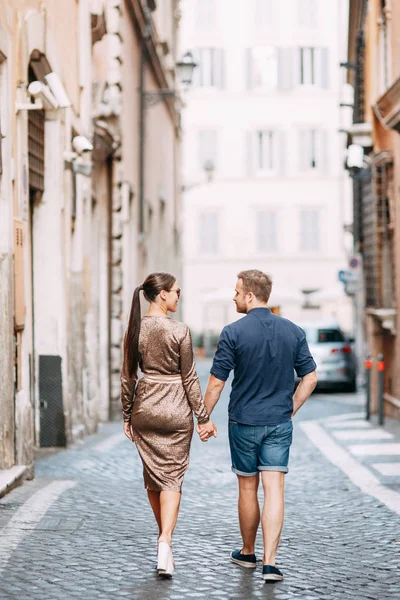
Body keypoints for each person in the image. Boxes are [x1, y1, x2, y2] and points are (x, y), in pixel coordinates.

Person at [197, 270, 317, 582]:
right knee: (274, 489)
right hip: (278, 421)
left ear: (250, 296)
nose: (234, 297)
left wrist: (203, 417)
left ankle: (248, 552)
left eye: (237, 292)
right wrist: (291, 407)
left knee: (248, 487)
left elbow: (215, 383)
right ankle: (270, 563)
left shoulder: (232, 332)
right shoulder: (293, 330)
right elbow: (310, 377)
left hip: (243, 421)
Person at [121, 272, 216, 578]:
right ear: (162, 294)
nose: (178, 296)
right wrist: (203, 417)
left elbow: (128, 377)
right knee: (172, 477)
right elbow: (189, 378)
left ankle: (163, 539)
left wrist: (126, 414)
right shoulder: (180, 330)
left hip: (145, 409)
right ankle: (166, 541)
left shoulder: (135, 330)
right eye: (176, 291)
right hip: (176, 411)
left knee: (152, 477)